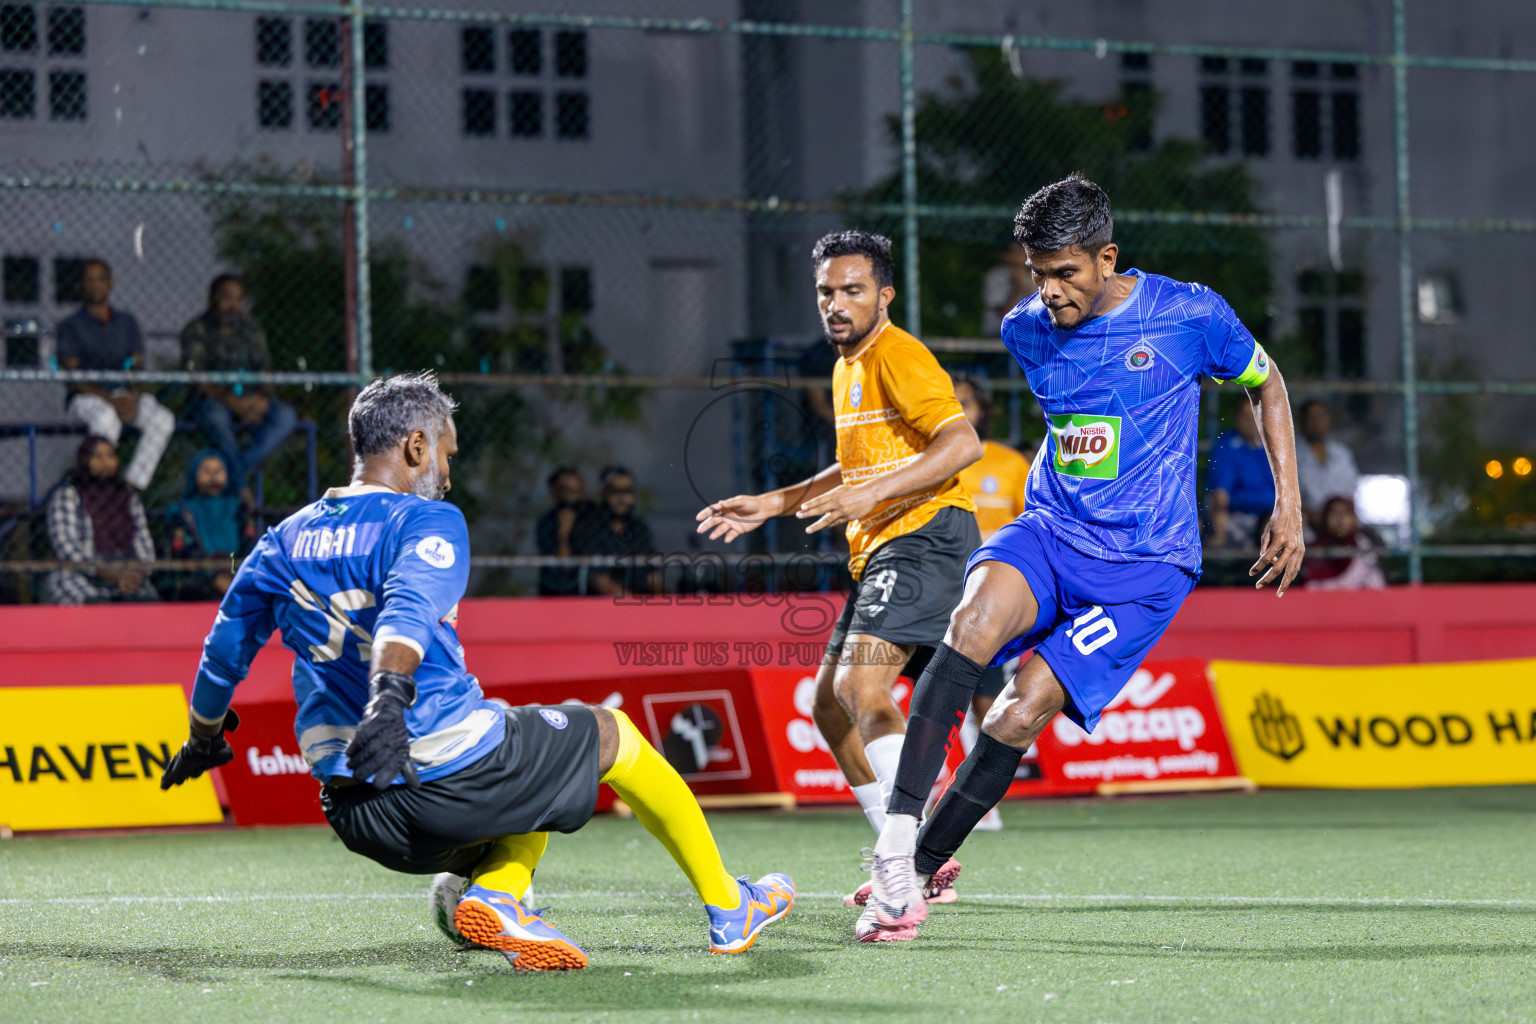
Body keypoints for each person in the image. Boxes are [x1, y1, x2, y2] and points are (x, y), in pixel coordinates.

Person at [157, 372, 793, 971]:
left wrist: (204, 737)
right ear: (415, 446)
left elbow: (222, 651)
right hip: (442, 778)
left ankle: (496, 893)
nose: (449, 474)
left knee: (535, 749)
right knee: (608, 734)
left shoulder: (280, 542)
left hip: (358, 813)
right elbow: (404, 613)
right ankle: (728, 905)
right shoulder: (423, 519)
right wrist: (386, 699)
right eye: (447, 455)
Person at [856, 175, 1305, 943]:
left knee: (1018, 708)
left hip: (1147, 568)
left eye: (1065, 272)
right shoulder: (1024, 330)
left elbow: (1267, 384)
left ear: (1107, 257)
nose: (1050, 291)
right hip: (1051, 530)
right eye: (1038, 272)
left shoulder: (1189, 314)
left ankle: (926, 868)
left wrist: (1287, 505)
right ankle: (893, 852)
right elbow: (1082, 427)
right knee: (970, 624)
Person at [696, 230, 983, 938]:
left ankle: (905, 861)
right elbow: (850, 473)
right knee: (830, 705)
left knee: (863, 690)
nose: (836, 303)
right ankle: (910, 852)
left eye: (852, 289)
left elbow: (962, 444)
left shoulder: (898, 353)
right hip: (883, 546)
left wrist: (871, 495)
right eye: (826, 291)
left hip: (925, 536)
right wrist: (775, 501)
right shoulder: (846, 365)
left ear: (884, 295)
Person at [953, 374, 1033, 830]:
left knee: (988, 698)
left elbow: (1033, 527)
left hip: (995, 600)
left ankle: (980, 797)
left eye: (966, 402)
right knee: (939, 693)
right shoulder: (934, 461)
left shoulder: (1009, 463)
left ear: (983, 409)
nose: (960, 410)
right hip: (943, 591)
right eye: (952, 402)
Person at [54, 259, 176, 491]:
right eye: (89, 280)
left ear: (111, 283)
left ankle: (128, 487)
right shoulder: (69, 325)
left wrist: (134, 397)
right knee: (106, 419)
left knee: (163, 419)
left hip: (124, 395)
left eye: (100, 279)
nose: (95, 285)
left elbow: (137, 367)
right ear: (80, 286)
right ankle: (98, 485)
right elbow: (73, 379)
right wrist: (110, 400)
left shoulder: (127, 323)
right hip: (86, 399)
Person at [180, 275, 299, 487]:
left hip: (251, 400)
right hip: (213, 402)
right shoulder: (196, 330)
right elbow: (197, 377)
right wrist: (230, 400)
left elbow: (265, 369)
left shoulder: (250, 330)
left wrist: (261, 399)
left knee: (286, 416)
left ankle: (234, 474)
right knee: (216, 416)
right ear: (212, 299)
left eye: (238, 299)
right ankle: (240, 484)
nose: (232, 305)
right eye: (227, 298)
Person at [44, 435, 158, 604]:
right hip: (82, 574)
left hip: (126, 575)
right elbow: (66, 546)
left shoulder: (127, 497)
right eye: (97, 456)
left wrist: (136, 572)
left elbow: (144, 542)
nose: (105, 462)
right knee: (79, 597)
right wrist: (107, 572)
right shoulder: (69, 495)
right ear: (84, 460)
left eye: (110, 456)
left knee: (149, 601)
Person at [166, 449, 256, 599]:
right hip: (201, 570)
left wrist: (234, 569)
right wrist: (211, 573)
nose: (213, 476)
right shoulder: (183, 510)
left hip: (234, 566)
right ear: (194, 474)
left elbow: (249, 542)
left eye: (218, 470)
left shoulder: (238, 507)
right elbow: (182, 548)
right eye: (206, 471)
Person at [1206, 398, 1276, 548]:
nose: (1251, 422)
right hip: (1239, 517)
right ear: (1236, 418)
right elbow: (1220, 494)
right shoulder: (1227, 445)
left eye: (1254, 416)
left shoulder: (1270, 444)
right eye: (1245, 417)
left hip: (1272, 516)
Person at [586, 465, 658, 596]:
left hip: (642, 606)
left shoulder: (639, 528)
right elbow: (598, 579)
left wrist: (664, 599)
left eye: (627, 491)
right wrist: (633, 605)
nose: (622, 497)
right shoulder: (591, 527)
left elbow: (652, 574)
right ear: (604, 493)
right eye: (615, 491)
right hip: (602, 608)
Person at [1295, 398, 1360, 527]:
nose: (1318, 422)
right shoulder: (1292, 454)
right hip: (1307, 521)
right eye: (1312, 417)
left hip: (1340, 521)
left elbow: (1351, 490)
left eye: (1322, 416)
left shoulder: (1342, 453)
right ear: (1302, 421)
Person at [534, 466, 598, 596]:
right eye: (567, 491)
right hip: (558, 596)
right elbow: (561, 567)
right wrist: (563, 535)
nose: (574, 497)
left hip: (592, 597)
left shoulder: (595, 520)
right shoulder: (547, 524)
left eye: (578, 491)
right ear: (554, 494)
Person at [1304, 495, 1385, 590]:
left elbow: (1377, 587)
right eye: (1334, 513)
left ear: (1353, 518)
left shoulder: (1365, 546)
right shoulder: (1313, 550)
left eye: (1345, 513)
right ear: (1325, 517)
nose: (1340, 519)